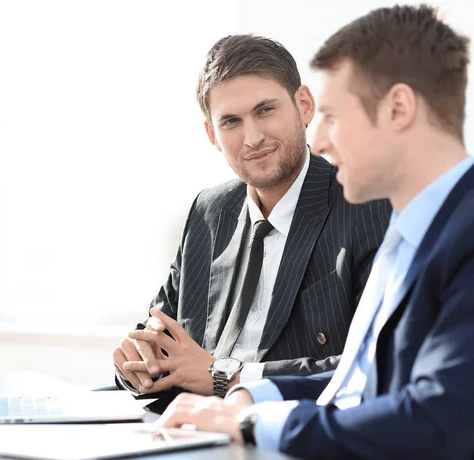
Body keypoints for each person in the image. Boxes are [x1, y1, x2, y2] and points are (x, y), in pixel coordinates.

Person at [157, 5, 474, 459]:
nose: (318, 139)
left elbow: (440, 420)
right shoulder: (414, 234)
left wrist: (254, 422)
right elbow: (359, 382)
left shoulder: (457, 234)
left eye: (332, 115)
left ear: (399, 108)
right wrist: (254, 398)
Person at [112, 34, 391, 407]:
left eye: (265, 110)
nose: (253, 137)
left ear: (304, 105)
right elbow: (159, 335)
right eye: (231, 122)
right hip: (185, 427)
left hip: (288, 431)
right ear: (212, 134)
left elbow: (374, 366)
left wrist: (223, 376)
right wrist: (134, 363)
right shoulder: (209, 211)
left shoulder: (366, 205)